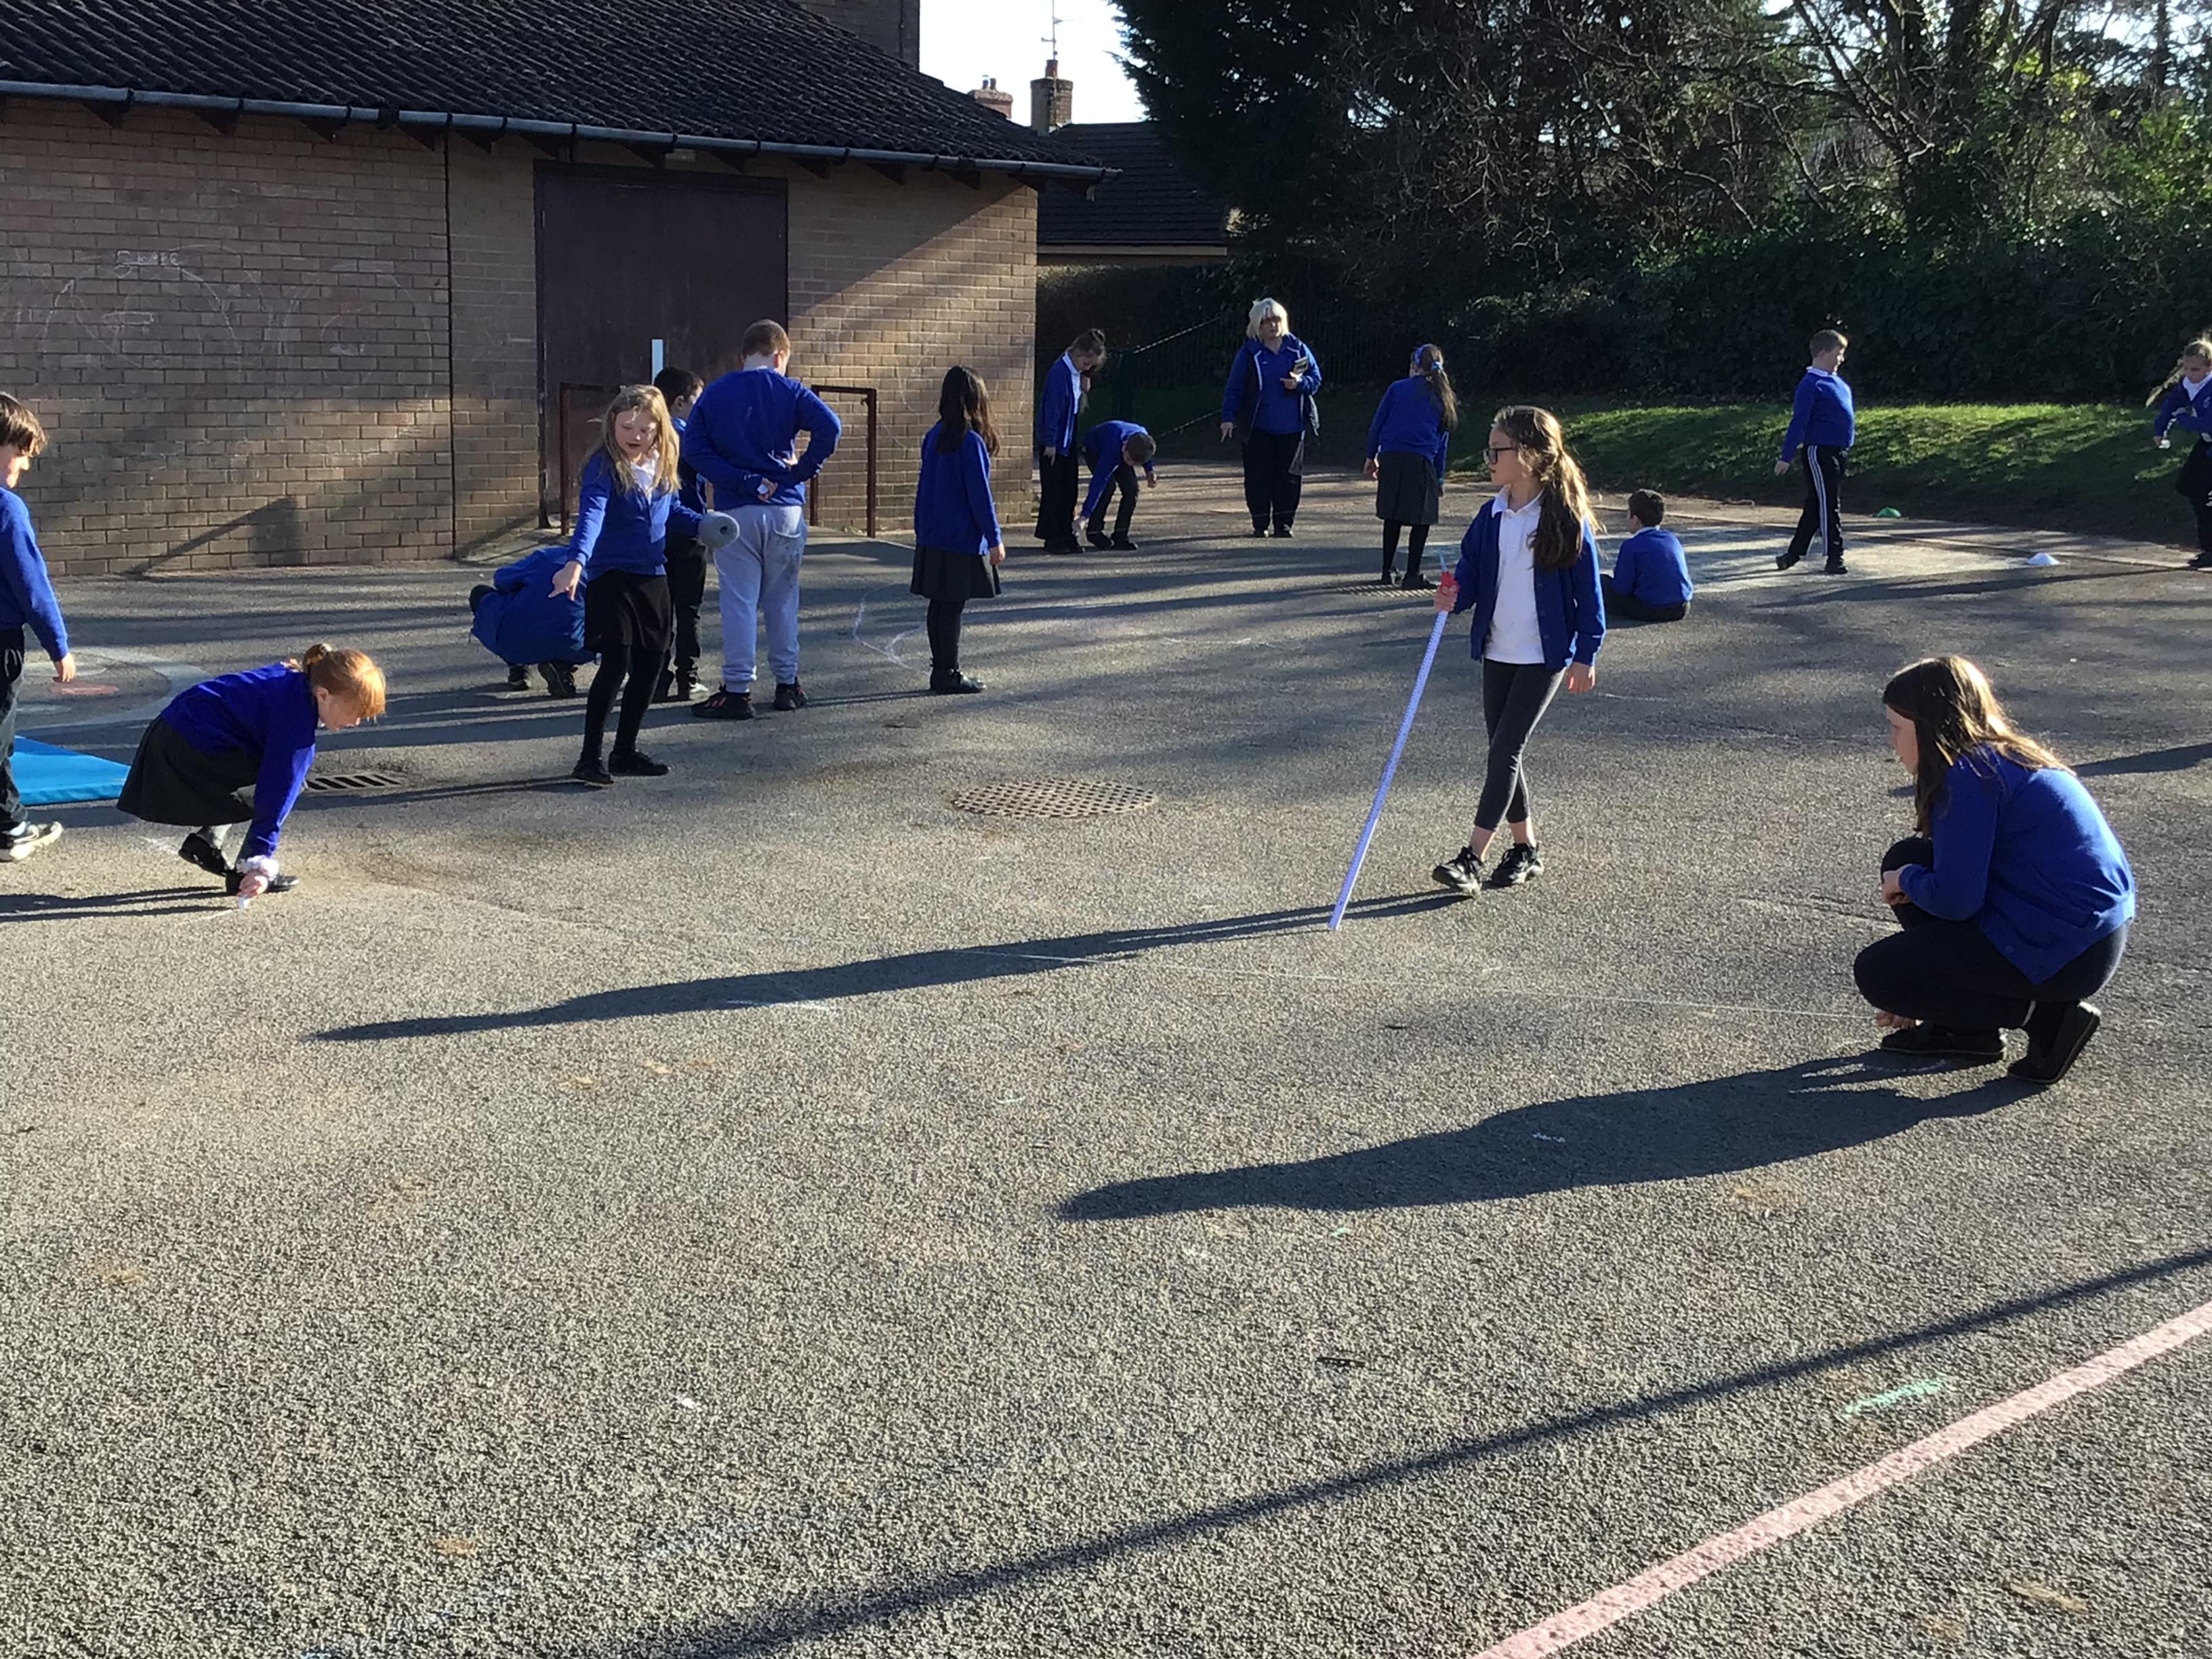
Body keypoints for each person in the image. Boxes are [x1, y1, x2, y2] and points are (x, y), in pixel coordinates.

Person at [1854, 656, 2134, 1084]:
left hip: (2068, 952)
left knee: (1880, 973)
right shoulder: (1998, 758)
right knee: (1907, 857)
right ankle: (1967, 1029)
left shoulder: (1969, 777)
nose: (1892, 741)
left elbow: (1956, 900)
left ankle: (2047, 1018)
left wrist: (1907, 887)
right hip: (2083, 932)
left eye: (1897, 727)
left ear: (1928, 729)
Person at [1431, 406, 1605, 895]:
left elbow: (1589, 595)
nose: (1488, 460)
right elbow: (1470, 573)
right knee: (1503, 752)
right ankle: (1526, 848)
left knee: (1505, 751)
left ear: (1528, 455)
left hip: (1542, 656)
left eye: (1497, 451)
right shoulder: (1491, 516)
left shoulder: (1563, 518)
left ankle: (1472, 858)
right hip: (1498, 649)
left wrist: (1587, 653)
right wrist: (1453, 594)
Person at [117, 644, 386, 899]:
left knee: (264, 772)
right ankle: (247, 871)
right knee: (282, 785)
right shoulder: (295, 726)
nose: (356, 722)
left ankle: (208, 841)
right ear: (324, 695)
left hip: (172, 732)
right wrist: (261, 858)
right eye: (354, 712)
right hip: (185, 750)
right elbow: (277, 795)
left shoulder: (295, 678)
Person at [684, 321, 842, 720]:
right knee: (782, 599)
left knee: (739, 600)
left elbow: (694, 450)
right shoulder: (791, 390)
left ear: (744, 355)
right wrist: (799, 472)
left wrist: (742, 480)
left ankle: (738, 690)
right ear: (780, 355)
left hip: (736, 510)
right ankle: (788, 684)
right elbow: (831, 427)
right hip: (785, 509)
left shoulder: (717, 392)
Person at [552, 385, 699, 785]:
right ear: (612, 424)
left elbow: (673, 511)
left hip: (653, 575)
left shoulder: (661, 464)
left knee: (652, 664)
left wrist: (706, 525)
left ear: (659, 430)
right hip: (611, 576)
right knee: (616, 663)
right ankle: (589, 758)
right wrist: (576, 562)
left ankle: (625, 751)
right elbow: (592, 517)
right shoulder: (603, 467)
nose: (634, 436)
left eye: (645, 429)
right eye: (626, 427)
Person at [0, 392, 77, 863]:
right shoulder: (7, 510)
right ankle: (10, 828)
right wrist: (58, 646)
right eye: (21, 453)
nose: (25, 466)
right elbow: (32, 586)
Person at [912, 367, 1008, 695]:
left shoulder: (934, 436)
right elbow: (980, 495)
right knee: (953, 606)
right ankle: (949, 672)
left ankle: (941, 670)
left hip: (933, 534)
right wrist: (994, 538)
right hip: (961, 537)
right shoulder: (971, 443)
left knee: (938, 604)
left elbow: (924, 487)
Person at [1219, 299, 1321, 538]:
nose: (1273, 325)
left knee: (1290, 478)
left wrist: (1299, 383)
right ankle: (1260, 523)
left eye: (1276, 320)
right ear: (1257, 325)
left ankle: (1284, 524)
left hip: (1292, 427)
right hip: (1258, 428)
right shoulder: (1249, 353)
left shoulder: (1297, 348)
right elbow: (1234, 388)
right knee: (1258, 478)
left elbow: (1315, 379)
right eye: (1266, 321)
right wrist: (1228, 417)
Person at [1364, 344, 1458, 588]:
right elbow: (1442, 442)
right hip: (1422, 459)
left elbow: (1378, 423)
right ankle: (1413, 574)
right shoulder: (1443, 396)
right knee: (1421, 517)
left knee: (1392, 514)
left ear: (1415, 366)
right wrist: (1439, 477)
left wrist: (1371, 455)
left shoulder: (1397, 388)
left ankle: (1387, 570)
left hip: (1392, 456)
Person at [1775, 327, 1854, 574]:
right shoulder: (1811, 384)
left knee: (1816, 504)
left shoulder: (1837, 383)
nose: (1841, 359)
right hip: (1819, 452)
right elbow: (1799, 422)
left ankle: (1793, 554)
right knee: (1829, 504)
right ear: (1822, 353)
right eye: (1838, 354)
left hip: (1839, 451)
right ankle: (1835, 556)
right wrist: (1786, 456)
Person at [651, 365, 709, 699]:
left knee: (660, 609)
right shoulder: (689, 437)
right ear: (679, 403)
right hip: (689, 528)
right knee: (689, 608)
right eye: (696, 402)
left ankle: (658, 678)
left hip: (657, 531)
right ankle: (688, 677)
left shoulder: (649, 435)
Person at [469, 548, 589, 697]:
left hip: (520, 640)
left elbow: (502, 580)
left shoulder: (546, 557)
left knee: (480, 594)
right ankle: (561, 665)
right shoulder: (600, 565)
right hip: (576, 645)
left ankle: (517, 668)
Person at [1036, 330, 1107, 556]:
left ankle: (1066, 534)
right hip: (1056, 438)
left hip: (1067, 434)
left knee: (1069, 489)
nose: (1087, 368)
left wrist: (1086, 378)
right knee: (1055, 490)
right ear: (1078, 353)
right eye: (1086, 363)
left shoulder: (1076, 372)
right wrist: (1050, 442)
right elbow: (1052, 410)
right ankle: (1053, 537)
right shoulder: (1060, 374)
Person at [2148, 338, 2212, 569]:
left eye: (2195, 370)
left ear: (2209, 368)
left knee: (2202, 493)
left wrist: (2184, 418)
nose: (2189, 374)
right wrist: (2160, 430)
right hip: (2207, 443)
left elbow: (2207, 423)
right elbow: (2170, 406)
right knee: (2187, 485)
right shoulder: (2188, 385)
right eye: (2186, 368)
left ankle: (2210, 549)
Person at [1602, 490, 1693, 622]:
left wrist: (1618, 575)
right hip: (1681, 608)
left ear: (1637, 520)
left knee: (1602, 581)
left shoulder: (1631, 546)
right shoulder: (1672, 539)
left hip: (1651, 609)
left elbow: (1622, 589)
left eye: (1628, 514)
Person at [1080, 419, 1158, 550]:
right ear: (1125, 446)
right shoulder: (1113, 445)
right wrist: (1084, 515)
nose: (1130, 464)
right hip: (1095, 449)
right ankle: (1094, 531)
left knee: (1132, 489)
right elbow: (1099, 481)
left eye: (1134, 463)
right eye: (1129, 459)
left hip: (1121, 449)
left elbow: (1145, 454)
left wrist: (1149, 470)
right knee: (1108, 487)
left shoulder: (1143, 439)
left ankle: (1121, 534)